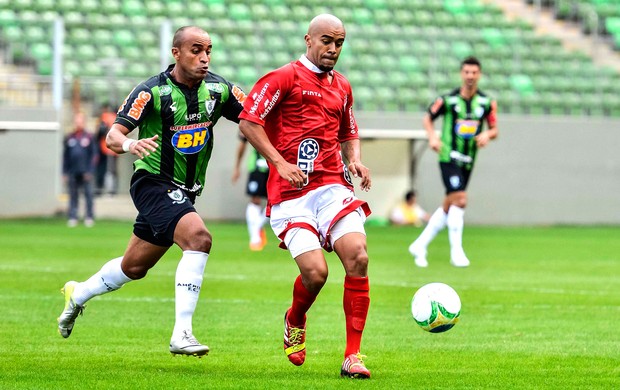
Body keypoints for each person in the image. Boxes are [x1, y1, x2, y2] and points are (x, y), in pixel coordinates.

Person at [57, 26, 247, 357]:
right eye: (195, 50)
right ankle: (182, 334)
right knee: (199, 238)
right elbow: (112, 137)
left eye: (208, 51)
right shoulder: (152, 92)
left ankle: (77, 294)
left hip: (186, 190)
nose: (204, 58)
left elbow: (255, 119)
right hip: (152, 183)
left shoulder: (220, 89)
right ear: (176, 53)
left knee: (134, 267)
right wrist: (132, 142)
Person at [238, 14, 373, 379]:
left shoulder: (342, 86)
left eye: (339, 42)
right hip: (292, 194)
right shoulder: (282, 77)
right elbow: (249, 121)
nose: (333, 49)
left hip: (332, 186)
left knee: (358, 257)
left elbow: (349, 131)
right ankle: (295, 318)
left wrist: (355, 160)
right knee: (316, 274)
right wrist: (278, 162)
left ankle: (353, 355)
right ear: (308, 39)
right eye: (326, 40)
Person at [408, 56, 498, 268]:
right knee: (461, 200)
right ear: (461, 74)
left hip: (468, 160)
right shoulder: (448, 100)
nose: (470, 76)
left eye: (474, 72)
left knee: (450, 204)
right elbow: (427, 118)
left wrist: (488, 135)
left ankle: (419, 245)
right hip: (449, 157)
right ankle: (456, 252)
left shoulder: (486, 102)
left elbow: (495, 128)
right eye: (466, 72)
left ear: (479, 75)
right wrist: (432, 137)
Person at [231, 133, 269, 251]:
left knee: (276, 200)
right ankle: (255, 238)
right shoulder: (254, 116)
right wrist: (237, 167)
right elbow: (242, 142)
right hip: (258, 166)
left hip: (277, 166)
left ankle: (257, 226)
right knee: (255, 200)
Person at [62, 111, 97, 227]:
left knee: (88, 195)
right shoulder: (69, 137)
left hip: (85, 172)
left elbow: (94, 155)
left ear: (84, 122)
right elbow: (65, 156)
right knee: (73, 195)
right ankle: (73, 216)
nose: (78, 123)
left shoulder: (89, 137)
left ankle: (89, 217)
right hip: (72, 171)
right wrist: (64, 172)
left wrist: (90, 170)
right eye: (76, 121)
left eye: (80, 121)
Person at [94, 102, 119, 196]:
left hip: (105, 148)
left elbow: (100, 132)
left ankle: (103, 190)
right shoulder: (117, 117)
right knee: (112, 171)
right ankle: (112, 190)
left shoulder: (105, 117)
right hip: (114, 148)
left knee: (105, 170)